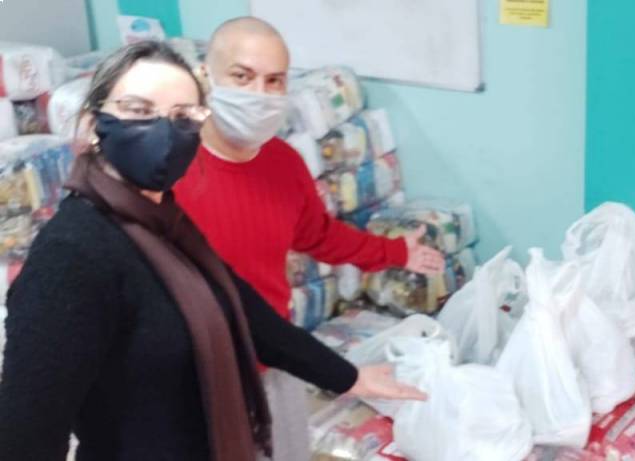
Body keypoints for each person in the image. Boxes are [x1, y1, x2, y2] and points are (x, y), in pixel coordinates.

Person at [0, 41, 424, 461]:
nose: (165, 132)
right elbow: (26, 437)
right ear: (94, 125)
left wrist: (346, 377)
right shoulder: (73, 254)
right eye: (139, 110)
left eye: (183, 116)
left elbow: (243, 309)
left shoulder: (168, 225)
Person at [171, 17, 446, 460]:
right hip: (189, 375)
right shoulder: (167, 168)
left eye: (274, 81)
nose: (259, 94)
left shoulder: (284, 163)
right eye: (242, 77)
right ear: (207, 76)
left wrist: (395, 252)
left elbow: (318, 235)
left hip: (272, 360)